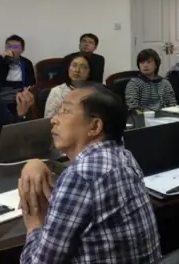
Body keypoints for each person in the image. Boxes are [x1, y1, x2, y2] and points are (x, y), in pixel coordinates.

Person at [18, 83, 161, 264]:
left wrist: (34, 223)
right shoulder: (124, 155)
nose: (54, 119)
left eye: (65, 112)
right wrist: (35, 163)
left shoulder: (80, 176)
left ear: (94, 126)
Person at [0, 35, 36, 115]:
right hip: (0, 98)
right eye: (9, 47)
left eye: (16, 47)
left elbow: (32, 83)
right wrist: (1, 59)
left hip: (19, 98)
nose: (12, 49)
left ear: (22, 50)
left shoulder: (26, 63)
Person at [44, 54, 91, 119]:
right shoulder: (57, 92)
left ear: (89, 72)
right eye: (74, 65)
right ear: (68, 69)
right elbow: (49, 120)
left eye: (82, 67)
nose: (77, 70)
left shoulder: (94, 93)